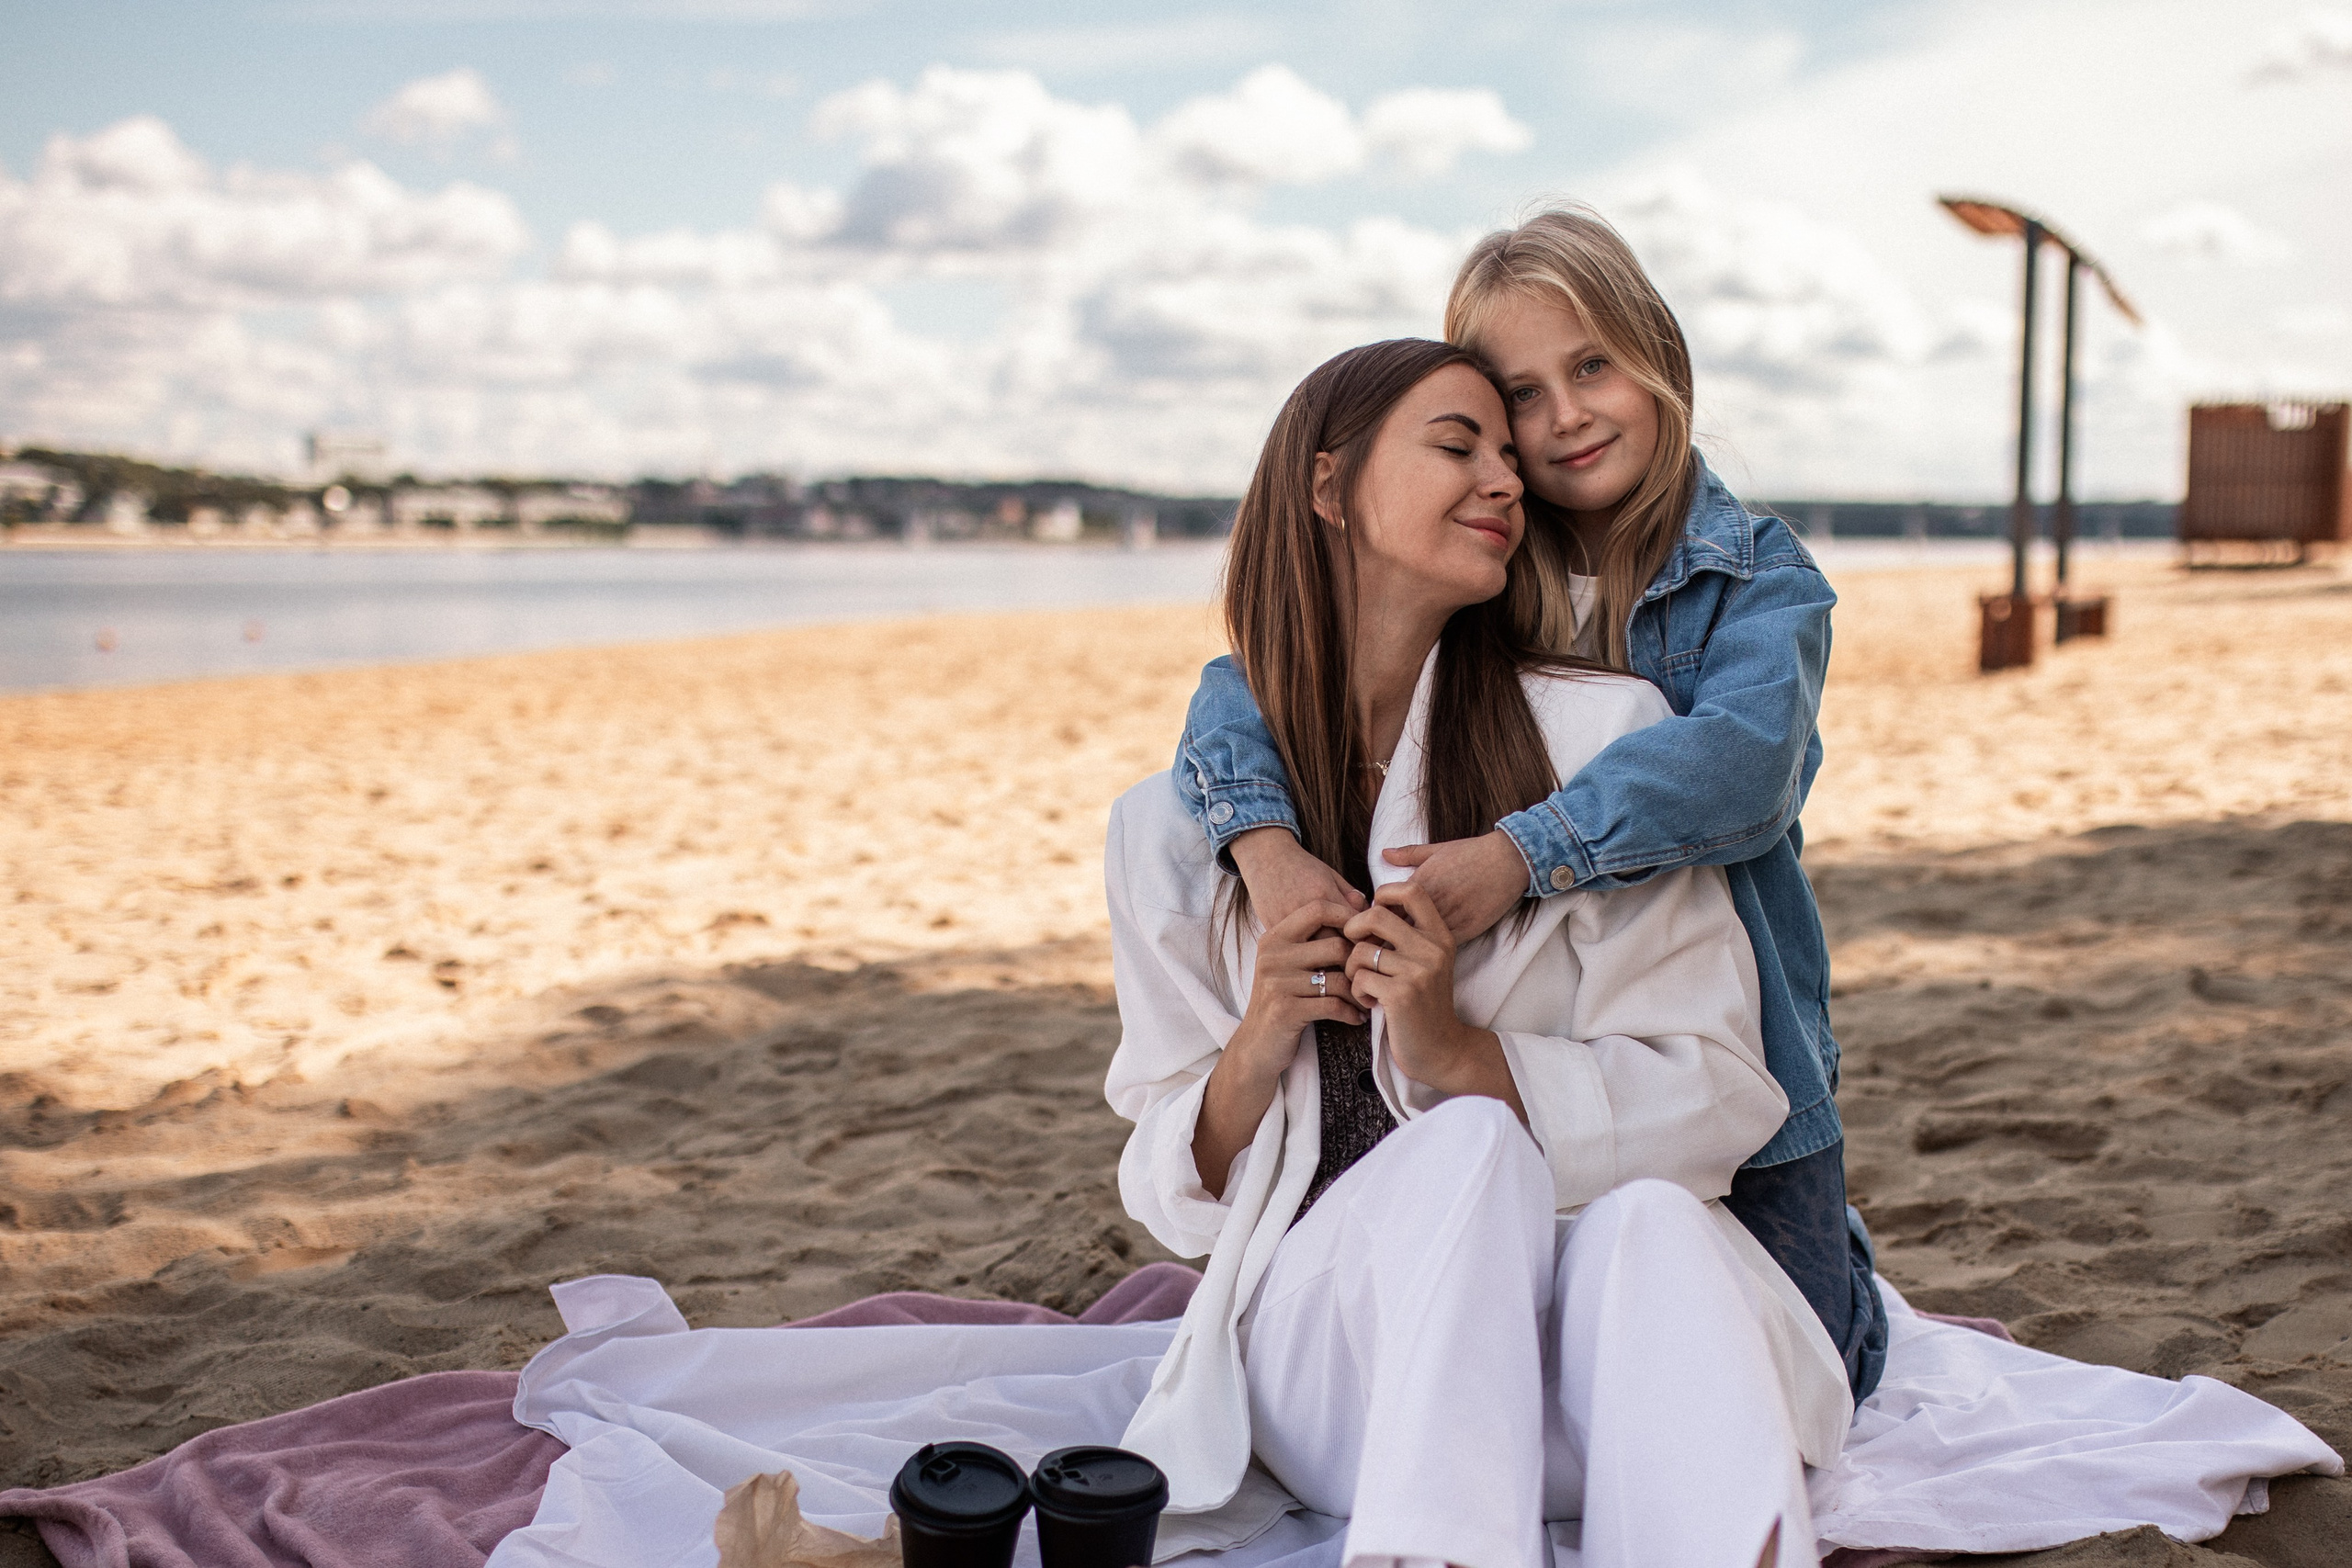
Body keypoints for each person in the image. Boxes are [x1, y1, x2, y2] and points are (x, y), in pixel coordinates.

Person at [1104, 339, 1849, 1568]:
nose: (1506, 479)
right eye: (1459, 446)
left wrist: (1462, 1052)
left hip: (1596, 1376)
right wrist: (1260, 1037)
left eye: (1511, 457)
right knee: (1465, 1147)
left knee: (1658, 1224)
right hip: (1343, 1375)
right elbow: (1167, 1192)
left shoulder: (1608, 744)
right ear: (1330, 489)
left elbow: (1724, 1092)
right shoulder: (1174, 832)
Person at [1171, 207, 1886, 1401]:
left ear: (1658, 358)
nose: (1566, 418)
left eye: (1594, 365)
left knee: (1816, 1358)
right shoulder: (1496, 565)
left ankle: (1852, 1279)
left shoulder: (1757, 580)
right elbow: (1240, 687)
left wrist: (1523, 853)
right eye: (1523, 395)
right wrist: (1261, 842)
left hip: (1735, 1023)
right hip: (1553, 1024)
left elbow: (1743, 764)